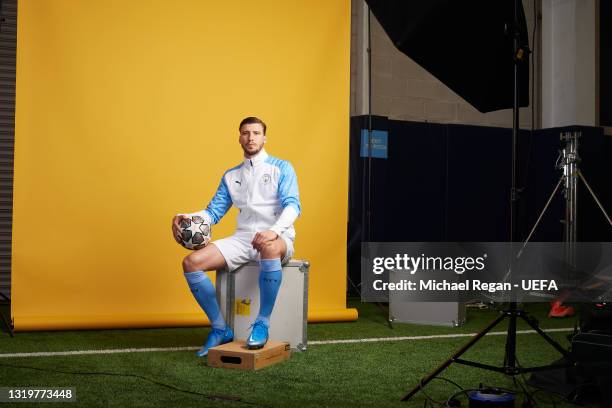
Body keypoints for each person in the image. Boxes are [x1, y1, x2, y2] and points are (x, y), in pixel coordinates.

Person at [172, 116, 301, 357]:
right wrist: (184, 217)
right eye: (245, 133)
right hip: (243, 238)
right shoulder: (231, 176)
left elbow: (293, 206)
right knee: (191, 263)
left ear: (264, 137)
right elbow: (213, 212)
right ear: (239, 138)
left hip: (278, 236)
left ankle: (262, 323)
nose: (250, 137)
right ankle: (220, 329)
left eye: (255, 133)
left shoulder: (282, 167)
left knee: (270, 248)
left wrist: (273, 231)